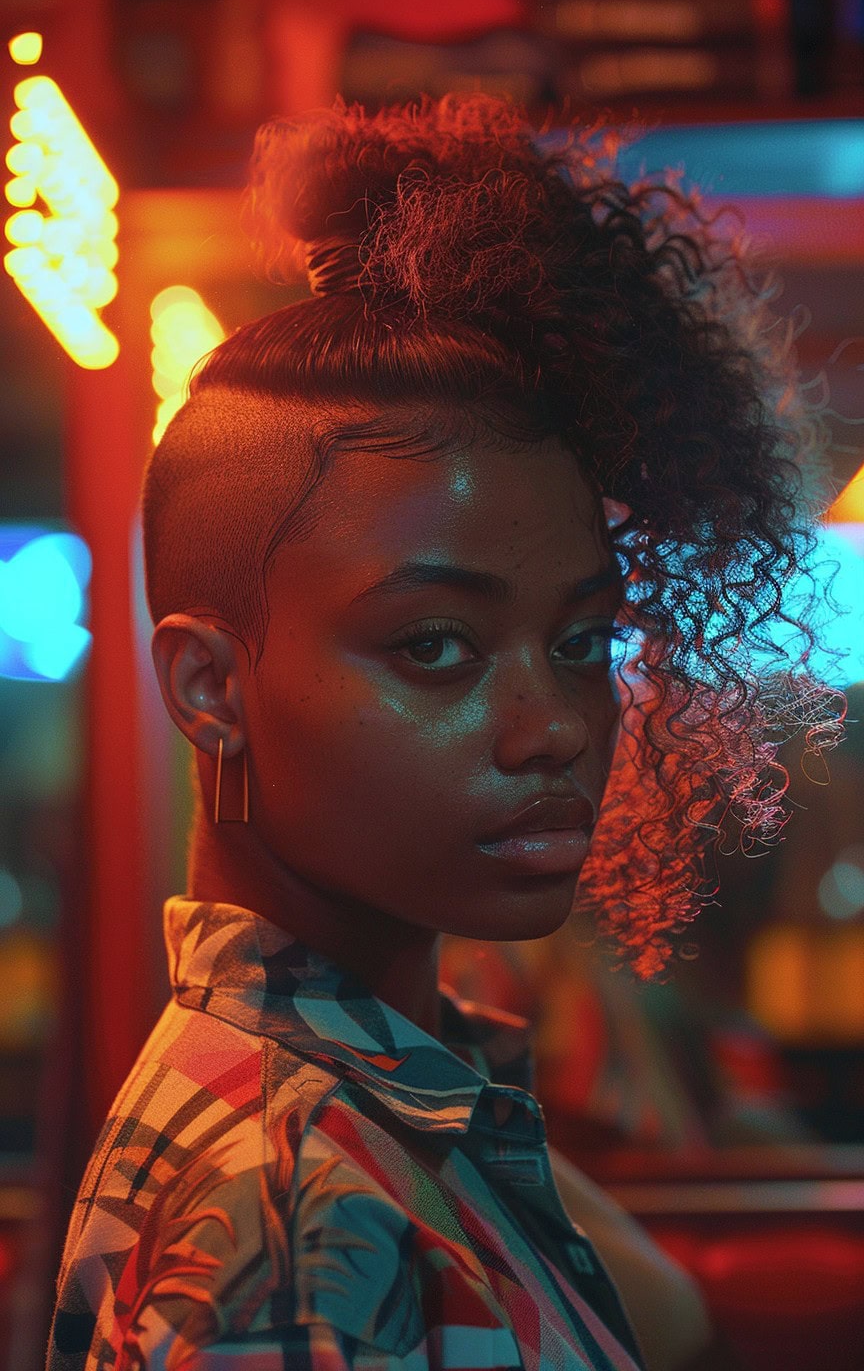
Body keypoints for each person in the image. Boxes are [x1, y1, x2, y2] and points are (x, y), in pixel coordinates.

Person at [46, 93, 841, 1370]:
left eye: (579, 642)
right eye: (436, 646)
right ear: (208, 688)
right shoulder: (295, 1206)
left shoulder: (403, 1082)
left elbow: (675, 1317)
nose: (553, 729)